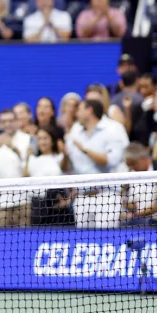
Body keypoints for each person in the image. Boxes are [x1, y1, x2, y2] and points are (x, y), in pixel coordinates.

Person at [67, 98, 129, 228]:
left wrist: (84, 149)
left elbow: (110, 161)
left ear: (89, 110)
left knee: (107, 240)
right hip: (82, 198)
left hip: (106, 196)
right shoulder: (76, 133)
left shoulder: (111, 130)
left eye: (80, 109)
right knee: (83, 242)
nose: (76, 112)